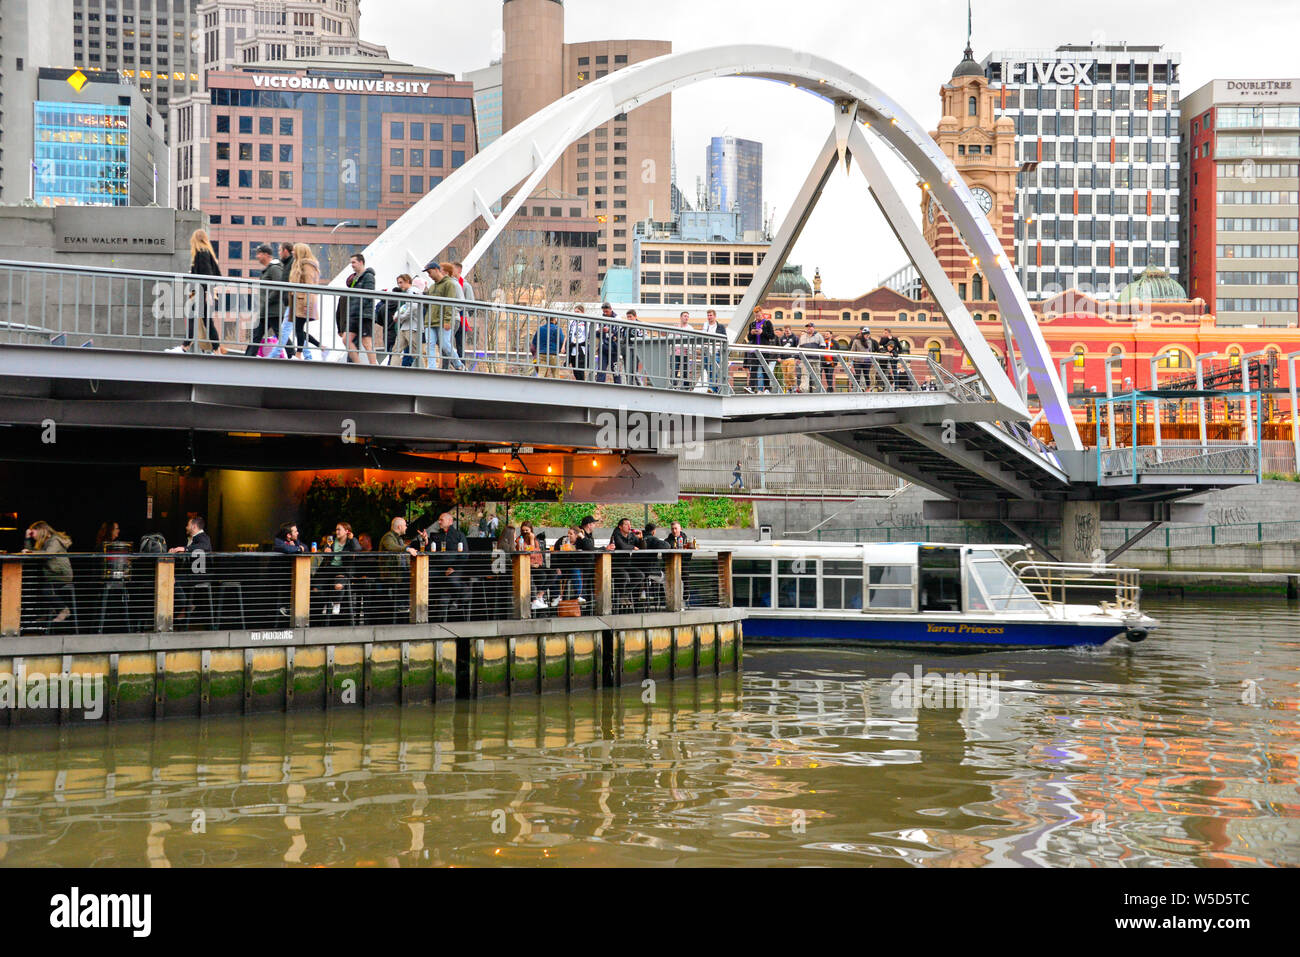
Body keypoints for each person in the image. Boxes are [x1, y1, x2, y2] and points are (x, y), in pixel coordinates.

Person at [178, 229, 224, 354]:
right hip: (203, 291)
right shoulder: (207, 252)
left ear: (195, 240)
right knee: (206, 321)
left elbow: (206, 274)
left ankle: (186, 345)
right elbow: (216, 274)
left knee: (196, 317)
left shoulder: (201, 252)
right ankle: (216, 349)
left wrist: (204, 292)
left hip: (201, 291)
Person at [22, 521, 74, 629]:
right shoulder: (45, 542)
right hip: (51, 575)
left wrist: (29, 552)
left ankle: (64, 609)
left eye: (33, 533)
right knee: (39, 586)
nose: (33, 536)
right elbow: (32, 554)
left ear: (41, 531)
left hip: (62, 574)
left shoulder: (55, 540)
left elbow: (47, 555)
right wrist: (27, 539)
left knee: (46, 590)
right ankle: (48, 612)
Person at [424, 512, 469, 620]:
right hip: (438, 568)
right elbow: (430, 551)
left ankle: (460, 597)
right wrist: (426, 540)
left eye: (441, 520)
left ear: (450, 521)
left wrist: (454, 568)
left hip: (454, 568)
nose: (439, 522)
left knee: (451, 580)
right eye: (438, 520)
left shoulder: (459, 535)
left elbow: (465, 553)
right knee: (426, 577)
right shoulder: (435, 536)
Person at [168, 515, 213, 624]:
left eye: (188, 525)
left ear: (193, 526)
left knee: (172, 580)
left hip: (201, 575)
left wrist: (185, 549)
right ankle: (186, 607)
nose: (186, 527)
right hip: (194, 573)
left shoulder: (202, 537)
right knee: (172, 578)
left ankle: (187, 606)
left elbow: (205, 545)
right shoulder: (193, 539)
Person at [246, 244, 287, 357]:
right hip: (266, 311)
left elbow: (279, 286)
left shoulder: (274, 268)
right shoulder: (269, 269)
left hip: (273, 310)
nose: (257, 256)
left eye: (259, 253)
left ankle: (292, 354)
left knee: (281, 335)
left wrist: (268, 300)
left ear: (266, 255)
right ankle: (248, 357)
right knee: (257, 336)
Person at [424, 261, 466, 370]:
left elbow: (449, 304)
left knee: (445, 345)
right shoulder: (432, 287)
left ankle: (459, 365)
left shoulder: (450, 284)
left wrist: (447, 320)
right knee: (430, 345)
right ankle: (432, 368)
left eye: (430, 272)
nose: (429, 275)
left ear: (437, 270)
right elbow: (428, 305)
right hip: (430, 320)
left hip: (443, 320)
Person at [338, 253, 378, 365]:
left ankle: (373, 366)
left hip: (365, 315)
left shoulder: (368, 276)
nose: (352, 265)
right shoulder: (355, 278)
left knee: (366, 342)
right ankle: (357, 363)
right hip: (354, 314)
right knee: (346, 339)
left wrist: (359, 307)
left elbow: (369, 295)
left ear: (361, 262)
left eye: (354, 262)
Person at [287, 243, 322, 359]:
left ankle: (299, 353)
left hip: (303, 301)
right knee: (299, 329)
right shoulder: (297, 264)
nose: (292, 252)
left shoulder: (307, 265)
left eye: (294, 250)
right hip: (298, 301)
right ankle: (321, 347)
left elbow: (309, 285)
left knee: (298, 328)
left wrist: (307, 304)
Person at [515, 521, 556, 608]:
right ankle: (534, 599)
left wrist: (538, 563)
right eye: (523, 530)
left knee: (554, 572)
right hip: (527, 565)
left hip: (537, 565)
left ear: (531, 530)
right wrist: (531, 541)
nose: (525, 532)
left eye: (527, 530)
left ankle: (539, 594)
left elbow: (539, 554)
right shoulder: (520, 540)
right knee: (542, 575)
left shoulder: (536, 540)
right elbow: (530, 552)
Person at [607, 517, 646, 605]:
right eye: (626, 524)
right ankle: (621, 596)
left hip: (626, 564)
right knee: (624, 576)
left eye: (630, 524)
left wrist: (641, 539)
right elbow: (621, 545)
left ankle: (624, 594)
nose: (629, 526)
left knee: (640, 575)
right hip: (615, 564)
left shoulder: (631, 535)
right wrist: (632, 547)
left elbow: (642, 548)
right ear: (620, 527)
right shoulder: (616, 534)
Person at [744, 311, 776, 392]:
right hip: (755, 350)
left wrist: (763, 332)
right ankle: (751, 387)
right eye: (756, 316)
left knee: (765, 369)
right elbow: (749, 338)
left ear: (762, 314)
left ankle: (767, 388)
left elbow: (772, 336)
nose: (757, 317)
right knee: (753, 369)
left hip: (764, 350)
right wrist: (751, 333)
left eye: (758, 315)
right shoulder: (752, 324)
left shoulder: (767, 323)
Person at [594, 303, 622, 384]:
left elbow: (619, 331)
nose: (605, 313)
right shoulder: (601, 318)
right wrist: (599, 331)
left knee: (616, 370)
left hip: (614, 349)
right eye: (604, 311)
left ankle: (618, 387)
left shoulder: (617, 318)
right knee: (601, 370)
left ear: (611, 309)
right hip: (603, 348)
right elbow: (596, 333)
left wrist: (609, 330)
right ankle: (600, 386)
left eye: (606, 311)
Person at [702, 309, 726, 393]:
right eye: (708, 315)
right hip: (706, 352)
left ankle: (712, 387)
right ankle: (715, 387)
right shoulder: (705, 326)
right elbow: (702, 337)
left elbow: (724, 338)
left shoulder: (720, 327)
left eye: (711, 315)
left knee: (713, 370)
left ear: (715, 316)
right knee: (708, 370)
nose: (709, 317)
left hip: (716, 352)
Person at [566, 305, 590, 381]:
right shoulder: (572, 322)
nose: (576, 313)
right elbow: (568, 334)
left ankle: (582, 385)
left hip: (582, 350)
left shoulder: (587, 322)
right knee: (575, 370)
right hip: (573, 349)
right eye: (575, 312)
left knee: (580, 371)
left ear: (582, 312)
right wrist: (564, 346)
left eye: (578, 312)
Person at [671, 312, 694, 388]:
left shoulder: (690, 328)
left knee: (685, 372)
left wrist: (690, 352)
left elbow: (692, 340)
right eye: (685, 316)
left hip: (685, 354)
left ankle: (686, 388)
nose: (686, 318)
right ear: (681, 317)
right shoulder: (675, 327)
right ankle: (673, 387)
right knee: (674, 371)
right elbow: (670, 337)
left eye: (687, 316)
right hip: (675, 353)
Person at [797, 322, 821, 391]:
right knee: (804, 374)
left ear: (813, 328)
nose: (808, 328)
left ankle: (817, 388)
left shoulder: (818, 336)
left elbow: (822, 346)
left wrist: (817, 354)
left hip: (815, 359)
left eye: (810, 327)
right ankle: (803, 389)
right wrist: (798, 358)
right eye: (807, 327)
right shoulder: (803, 337)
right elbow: (799, 348)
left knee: (816, 374)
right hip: (805, 359)